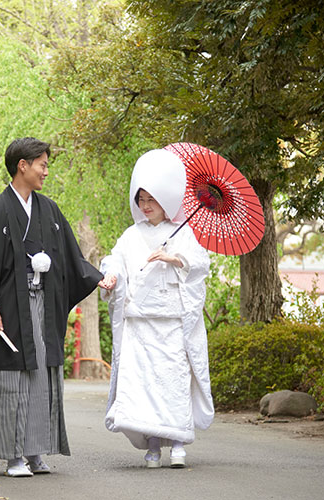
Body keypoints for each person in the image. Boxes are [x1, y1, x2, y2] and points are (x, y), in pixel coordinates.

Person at [0, 137, 108, 477]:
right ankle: (13, 456)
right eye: (42, 164)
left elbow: (71, 256)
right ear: (22, 166)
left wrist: (95, 276)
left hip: (43, 306)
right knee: (11, 377)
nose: (46, 171)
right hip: (10, 306)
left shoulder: (50, 210)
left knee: (42, 375)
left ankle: (36, 451)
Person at [99, 148, 214, 469]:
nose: (145, 206)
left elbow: (200, 264)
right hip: (139, 324)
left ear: (166, 199)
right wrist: (109, 276)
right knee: (143, 386)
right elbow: (115, 260)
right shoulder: (131, 235)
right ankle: (152, 446)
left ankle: (177, 442)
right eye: (141, 199)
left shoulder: (183, 234)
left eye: (152, 199)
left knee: (173, 381)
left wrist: (173, 258)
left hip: (171, 324)